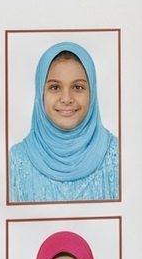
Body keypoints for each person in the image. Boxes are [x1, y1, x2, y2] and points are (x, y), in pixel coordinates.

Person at [8, 42, 121, 202]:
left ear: (92, 92)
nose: (67, 99)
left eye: (78, 87)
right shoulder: (17, 159)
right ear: (40, 93)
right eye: (55, 87)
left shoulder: (117, 154)